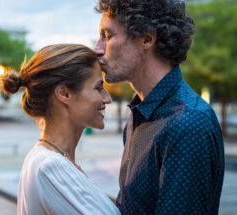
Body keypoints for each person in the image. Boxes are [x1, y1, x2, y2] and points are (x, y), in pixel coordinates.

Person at [93, 0, 225, 214]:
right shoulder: (140, 113)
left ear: (146, 38)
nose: (97, 49)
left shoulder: (188, 124)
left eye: (107, 36)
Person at [0, 44, 120, 215]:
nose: (107, 98)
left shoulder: (46, 160)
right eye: (98, 87)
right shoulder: (50, 167)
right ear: (64, 94)